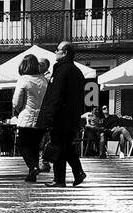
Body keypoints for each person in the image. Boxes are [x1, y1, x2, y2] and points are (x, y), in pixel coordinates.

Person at [39, 41, 87, 187]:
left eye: (57, 50)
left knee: (58, 147)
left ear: (65, 52)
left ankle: (59, 180)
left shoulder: (63, 71)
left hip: (60, 117)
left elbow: (56, 96)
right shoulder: (76, 71)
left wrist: (49, 116)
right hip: (71, 117)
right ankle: (78, 172)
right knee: (66, 147)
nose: (55, 52)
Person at [11, 54, 48, 182]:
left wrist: (18, 110)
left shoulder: (23, 79)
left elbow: (16, 102)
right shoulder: (44, 80)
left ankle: (33, 167)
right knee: (35, 146)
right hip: (41, 119)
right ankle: (32, 172)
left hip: (26, 117)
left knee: (22, 145)